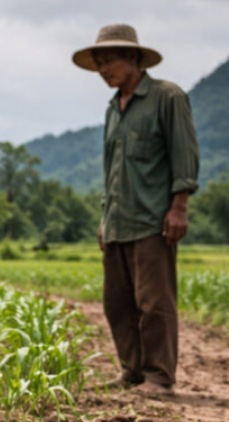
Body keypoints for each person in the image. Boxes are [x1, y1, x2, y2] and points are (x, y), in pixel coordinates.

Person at [73, 25, 199, 396]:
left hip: (151, 221)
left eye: (108, 59)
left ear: (133, 57)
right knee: (118, 304)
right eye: (97, 62)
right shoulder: (113, 109)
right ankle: (132, 371)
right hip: (116, 221)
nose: (102, 69)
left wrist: (179, 206)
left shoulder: (167, 97)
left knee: (154, 303)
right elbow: (111, 168)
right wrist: (103, 216)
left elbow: (184, 153)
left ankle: (159, 376)